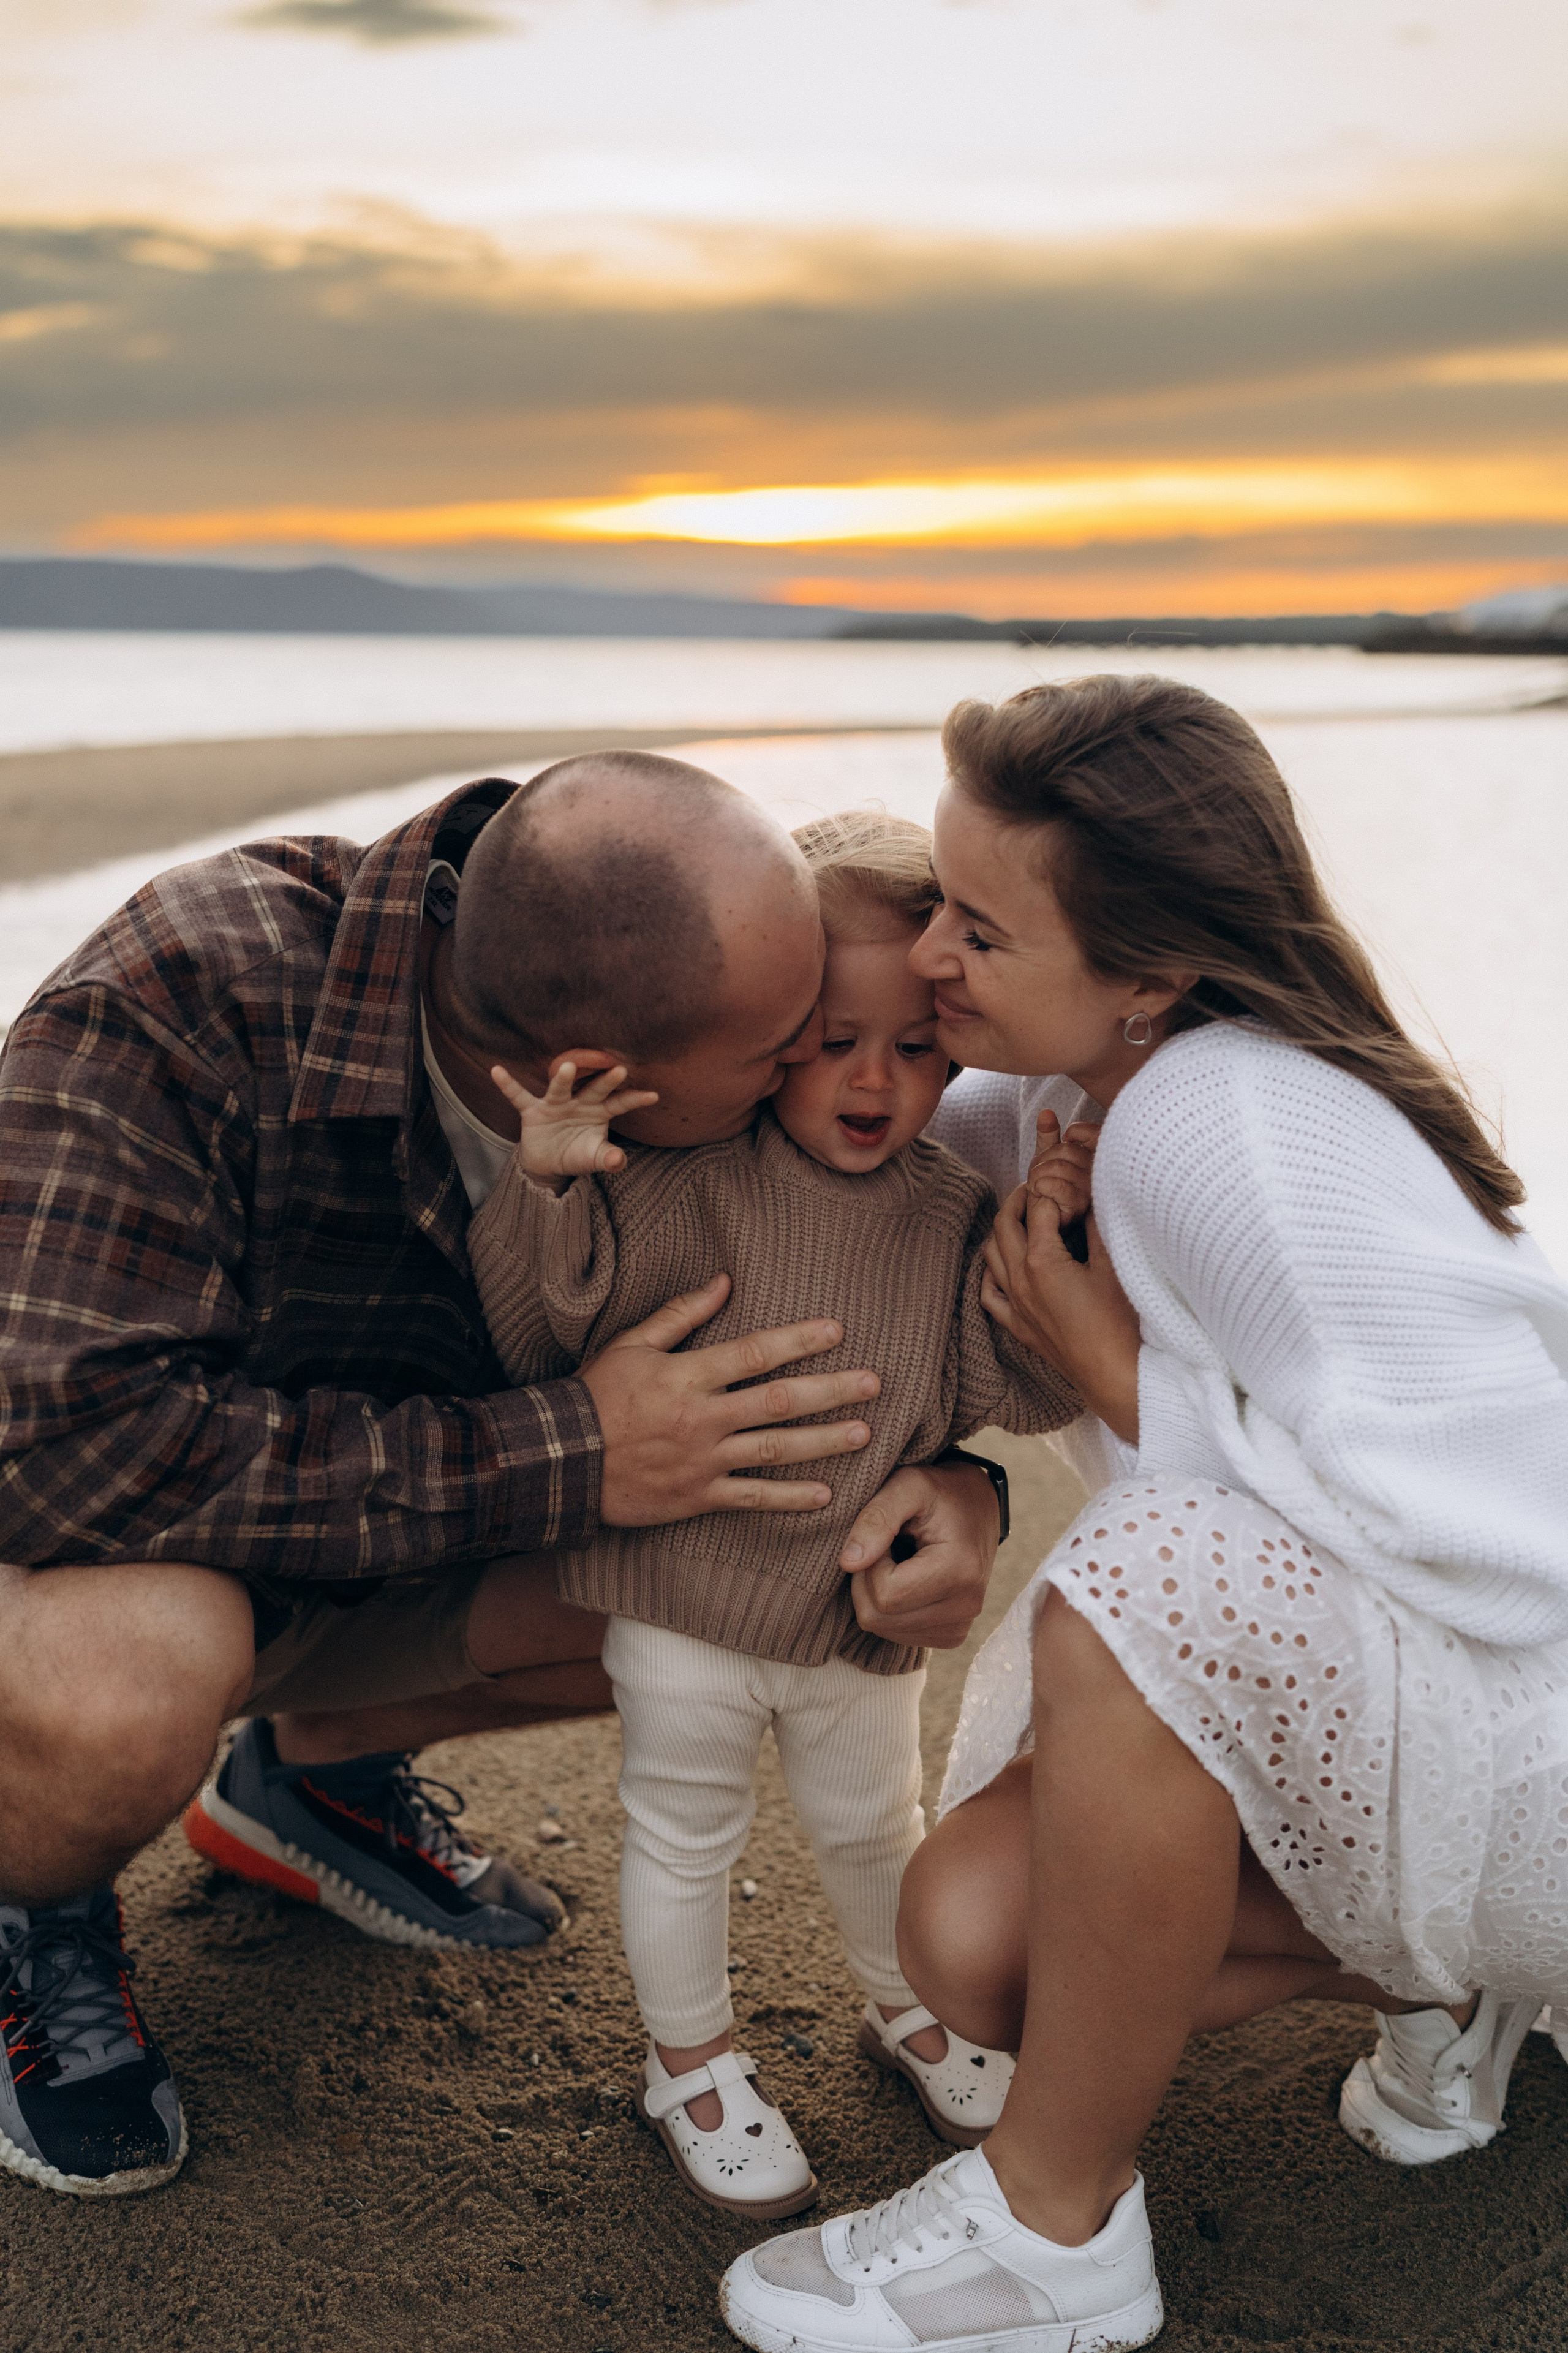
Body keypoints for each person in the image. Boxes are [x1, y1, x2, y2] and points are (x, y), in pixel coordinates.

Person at [0, 753, 1006, 2200]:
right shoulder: (184, 993)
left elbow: (846, 1343)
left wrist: (963, 1485)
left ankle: (313, 1781)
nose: (818, 1065)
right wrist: (577, 1451)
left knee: (726, 1585)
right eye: (784, 1043)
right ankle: (36, 1904)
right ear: (584, 1075)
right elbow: (54, 1450)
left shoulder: (641, 950)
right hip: (99, 1562)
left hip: (372, 1537)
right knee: (125, 1689)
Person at [718, 674, 1568, 2353]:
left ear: (1154, 971)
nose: (934, 964)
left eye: (977, 928)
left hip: (1534, 1736)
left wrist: (1127, 1387)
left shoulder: (1223, 1118)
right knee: (970, 1943)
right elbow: (829, 1156)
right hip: (1419, 1719)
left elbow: (1522, 1532)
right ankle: (1451, 1977)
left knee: (1140, 1575)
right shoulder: (1061, 1088)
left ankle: (1055, 2236)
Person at [469, 807, 1087, 2218]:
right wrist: (549, 1179)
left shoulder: (945, 1210)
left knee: (879, 1824)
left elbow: (1016, 1393)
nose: (873, 1079)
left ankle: (908, 2009)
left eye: (916, 1048)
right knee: (681, 1835)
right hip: (681, 1604)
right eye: (828, 1043)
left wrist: (1052, 1244)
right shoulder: (690, 1181)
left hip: (857, 1616)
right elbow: (539, 1334)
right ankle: (687, 2061)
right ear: (771, 1033)